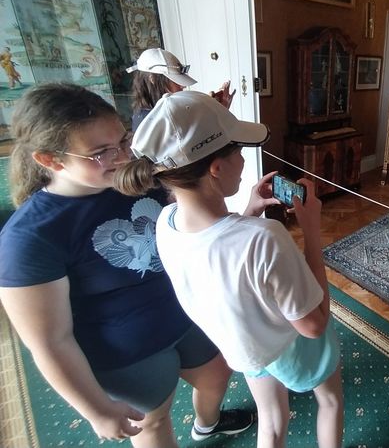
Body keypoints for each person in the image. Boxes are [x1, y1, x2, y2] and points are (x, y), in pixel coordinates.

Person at [0, 83, 255, 448]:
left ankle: (207, 424)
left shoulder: (139, 177)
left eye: (123, 140)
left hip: (188, 313)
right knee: (154, 423)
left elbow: (196, 208)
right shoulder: (28, 238)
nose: (122, 157)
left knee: (218, 373)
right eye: (101, 152)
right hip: (126, 353)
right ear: (51, 160)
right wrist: (95, 409)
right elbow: (50, 342)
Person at [114, 91, 344, 448]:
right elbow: (314, 325)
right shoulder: (265, 238)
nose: (243, 157)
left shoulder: (166, 221)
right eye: (237, 150)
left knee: (272, 421)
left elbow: (220, 256)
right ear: (216, 168)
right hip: (289, 345)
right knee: (329, 402)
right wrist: (312, 231)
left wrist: (249, 210)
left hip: (245, 347)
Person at [126, 47, 232, 131]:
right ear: (153, 79)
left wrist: (218, 109)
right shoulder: (149, 122)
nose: (183, 86)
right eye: (175, 80)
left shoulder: (168, 111)